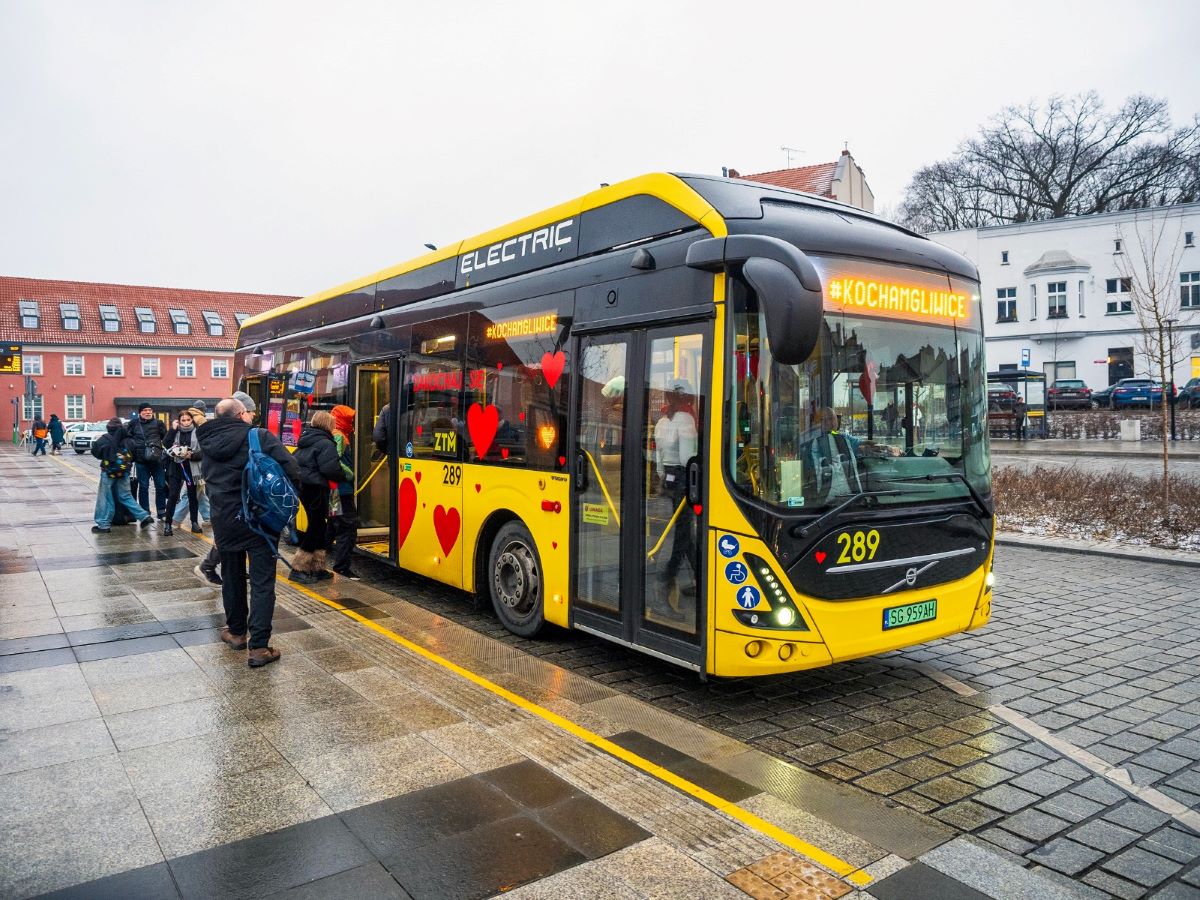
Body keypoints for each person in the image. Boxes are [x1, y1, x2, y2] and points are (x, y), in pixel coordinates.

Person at [198, 397, 300, 668]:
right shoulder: (259, 436)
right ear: (241, 414)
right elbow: (292, 470)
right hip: (259, 520)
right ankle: (258, 648)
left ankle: (236, 632)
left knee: (231, 576)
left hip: (224, 519)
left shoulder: (206, 440)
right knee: (262, 582)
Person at [192, 394, 258, 586]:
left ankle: (214, 567)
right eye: (250, 412)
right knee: (231, 536)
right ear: (241, 413)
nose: (252, 416)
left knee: (230, 534)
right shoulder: (243, 437)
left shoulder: (213, 437)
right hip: (234, 498)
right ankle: (207, 566)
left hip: (222, 500)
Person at [654, 382, 698, 617]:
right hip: (683, 480)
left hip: (669, 482)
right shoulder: (686, 421)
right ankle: (661, 589)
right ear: (687, 399)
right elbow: (687, 459)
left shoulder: (661, 422)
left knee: (685, 533)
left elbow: (660, 464)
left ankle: (700, 580)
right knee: (681, 537)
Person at [291, 410, 342, 584]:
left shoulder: (306, 440)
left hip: (305, 487)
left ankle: (317, 566)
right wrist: (342, 475)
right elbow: (331, 469)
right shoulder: (325, 443)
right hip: (317, 489)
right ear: (328, 425)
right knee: (316, 527)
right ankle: (298, 567)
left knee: (320, 527)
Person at [91, 417, 155, 533]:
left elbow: (95, 451)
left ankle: (103, 524)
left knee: (105, 497)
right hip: (124, 472)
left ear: (109, 428)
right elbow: (135, 455)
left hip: (108, 471)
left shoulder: (105, 439)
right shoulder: (129, 440)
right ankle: (144, 516)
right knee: (125, 496)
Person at [801, 407, 862, 503]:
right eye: (823, 420)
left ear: (836, 420)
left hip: (850, 500)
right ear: (816, 424)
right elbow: (808, 476)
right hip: (821, 503)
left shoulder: (845, 438)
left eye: (831, 418)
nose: (828, 422)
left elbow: (863, 445)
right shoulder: (809, 445)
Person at [328, 404, 360, 579]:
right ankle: (341, 567)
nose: (353, 423)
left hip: (334, 490)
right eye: (350, 419)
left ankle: (314, 560)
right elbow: (335, 461)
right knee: (347, 527)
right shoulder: (340, 437)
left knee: (333, 525)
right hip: (342, 491)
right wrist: (349, 474)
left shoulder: (335, 434)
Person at [162, 408, 205, 536]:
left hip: (192, 467)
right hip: (175, 466)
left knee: (192, 496)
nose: (186, 423)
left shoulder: (198, 432)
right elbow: (165, 444)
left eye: (188, 420)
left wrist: (191, 456)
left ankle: (194, 523)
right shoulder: (175, 431)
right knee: (173, 495)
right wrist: (172, 429)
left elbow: (203, 452)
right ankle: (168, 524)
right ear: (179, 421)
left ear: (192, 420)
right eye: (183, 420)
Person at [128, 403, 168, 520]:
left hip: (156, 460)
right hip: (141, 461)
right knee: (143, 487)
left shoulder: (159, 423)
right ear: (140, 412)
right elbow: (128, 439)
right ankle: (145, 512)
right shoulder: (133, 424)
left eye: (150, 410)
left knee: (160, 486)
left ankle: (161, 511)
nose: (148, 412)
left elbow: (165, 439)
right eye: (145, 410)